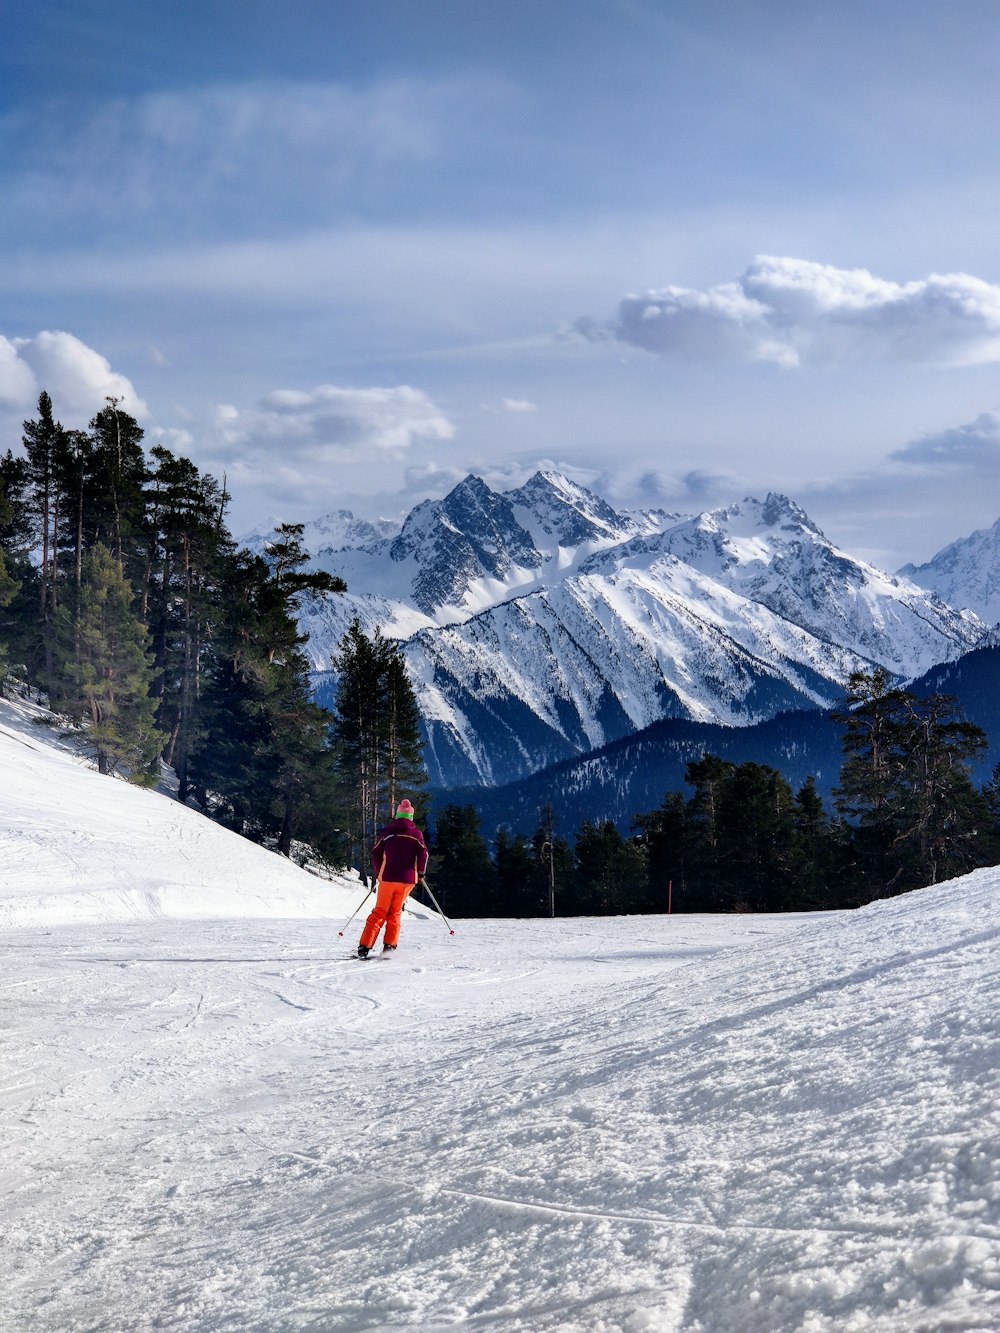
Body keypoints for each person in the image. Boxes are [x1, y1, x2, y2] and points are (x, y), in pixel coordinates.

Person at [357, 800, 428, 958]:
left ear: (397, 815)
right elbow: (423, 853)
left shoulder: (387, 832)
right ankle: (389, 947)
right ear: (410, 817)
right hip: (407, 879)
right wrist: (421, 872)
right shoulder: (416, 834)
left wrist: (379, 869)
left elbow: (375, 853)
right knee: (395, 912)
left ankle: (364, 947)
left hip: (387, 877)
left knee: (380, 911)